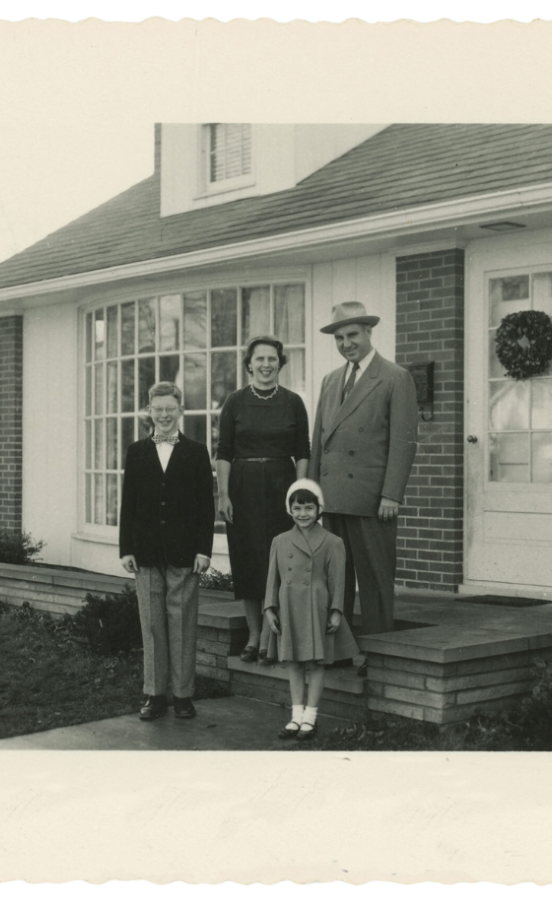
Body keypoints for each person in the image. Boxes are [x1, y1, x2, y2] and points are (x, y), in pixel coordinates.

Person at [308, 302, 419, 676]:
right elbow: (317, 444)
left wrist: (392, 493)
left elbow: (403, 441)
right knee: (334, 580)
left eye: (352, 335)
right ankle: (336, 652)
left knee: (373, 582)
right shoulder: (329, 380)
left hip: (372, 499)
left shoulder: (394, 377)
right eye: (339, 338)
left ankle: (380, 657)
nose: (345, 344)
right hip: (333, 497)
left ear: (369, 333)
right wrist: (312, 494)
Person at [119, 382, 216, 721]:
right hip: (145, 552)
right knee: (153, 626)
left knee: (182, 624)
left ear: (180, 411)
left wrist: (204, 550)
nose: (163, 415)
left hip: (184, 553)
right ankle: (154, 694)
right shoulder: (136, 451)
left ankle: (183, 695)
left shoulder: (196, 451)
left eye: (169, 409)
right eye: (157, 409)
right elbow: (128, 502)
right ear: (149, 412)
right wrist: (125, 547)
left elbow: (206, 506)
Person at [215, 335, 310, 665]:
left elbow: (303, 452)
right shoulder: (235, 402)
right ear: (249, 364)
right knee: (250, 563)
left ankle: (276, 638)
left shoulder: (293, 402)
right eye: (260, 359)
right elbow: (224, 452)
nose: (266, 364)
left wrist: (299, 496)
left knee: (283, 562)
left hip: (282, 488)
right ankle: (255, 636)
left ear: (280, 364)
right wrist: (224, 494)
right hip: (243, 487)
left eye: (272, 359)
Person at [263, 479, 359, 741]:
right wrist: (270, 608)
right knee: (293, 662)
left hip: (317, 607)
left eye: (308, 508)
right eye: (297, 508)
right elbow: (273, 578)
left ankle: (311, 718)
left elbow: (339, 581)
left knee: (317, 663)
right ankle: (296, 716)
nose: (302, 514)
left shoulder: (332, 541)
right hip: (289, 606)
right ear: (289, 510)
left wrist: (337, 610)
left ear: (319, 510)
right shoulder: (280, 541)